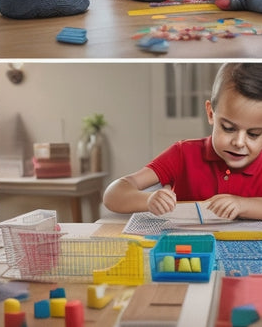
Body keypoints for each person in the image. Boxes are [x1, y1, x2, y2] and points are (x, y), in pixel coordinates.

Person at [103, 63, 262, 221]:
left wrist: (243, 205)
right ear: (210, 113)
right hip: (186, 245)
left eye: (253, 134)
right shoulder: (183, 154)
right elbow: (113, 195)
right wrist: (149, 200)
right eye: (228, 128)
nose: (239, 142)